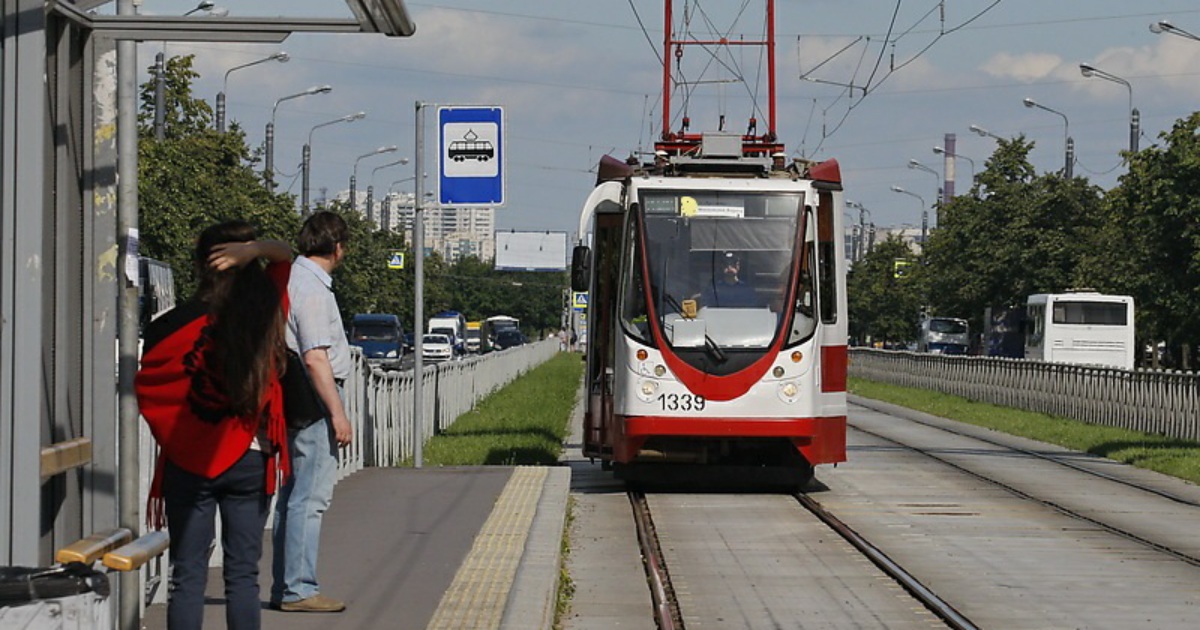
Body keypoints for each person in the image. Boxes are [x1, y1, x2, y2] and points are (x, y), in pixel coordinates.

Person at [136, 221, 293, 630]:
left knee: (186, 575)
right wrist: (255, 250)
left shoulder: (166, 327)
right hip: (250, 458)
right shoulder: (264, 316)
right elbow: (285, 255)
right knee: (242, 576)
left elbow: (151, 391)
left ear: (200, 265)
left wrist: (181, 436)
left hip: (187, 463)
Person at [271, 211, 354, 613]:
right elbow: (317, 357)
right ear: (338, 248)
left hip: (291, 396)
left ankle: (285, 584)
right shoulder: (315, 290)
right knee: (310, 498)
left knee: (292, 495)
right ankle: (299, 588)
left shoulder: (288, 277)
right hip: (313, 397)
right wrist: (337, 414)